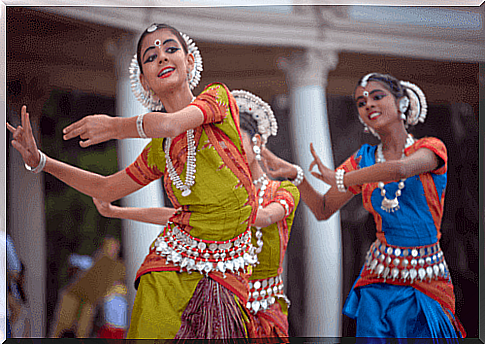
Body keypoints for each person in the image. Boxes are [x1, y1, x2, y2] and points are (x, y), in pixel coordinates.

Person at [7, 23, 259, 339]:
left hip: (231, 268)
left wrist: (115, 126)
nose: (162, 59)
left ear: (190, 60)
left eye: (170, 49)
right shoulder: (160, 151)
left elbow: (172, 124)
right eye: (151, 57)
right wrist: (40, 161)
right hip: (171, 267)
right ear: (143, 80)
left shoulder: (218, 98)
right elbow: (106, 188)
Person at [262, 73, 466, 338]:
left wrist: (341, 177)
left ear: (401, 102)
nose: (368, 104)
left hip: (427, 281)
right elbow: (323, 209)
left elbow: (401, 170)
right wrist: (295, 175)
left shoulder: (430, 148)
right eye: (361, 102)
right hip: (378, 278)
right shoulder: (364, 159)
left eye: (377, 96)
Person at [91, 90, 300, 339]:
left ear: (258, 143)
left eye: (234, 140)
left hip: (264, 310)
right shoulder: (219, 195)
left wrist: (215, 209)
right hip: (223, 295)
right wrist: (118, 211)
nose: (228, 149)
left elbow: (264, 217)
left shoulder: (284, 190)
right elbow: (177, 216)